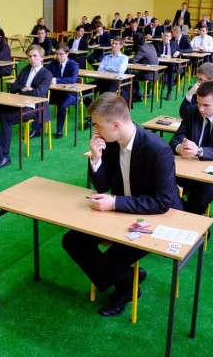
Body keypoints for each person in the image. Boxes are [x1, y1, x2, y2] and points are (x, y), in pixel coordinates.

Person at [62, 92, 183, 317]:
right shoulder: (112, 141)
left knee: (107, 265)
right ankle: (128, 279)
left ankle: (127, 287)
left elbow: (162, 202)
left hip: (155, 218)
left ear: (116, 124)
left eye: (97, 125)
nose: (95, 131)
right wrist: (96, 158)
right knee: (72, 240)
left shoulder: (157, 150)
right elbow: (103, 185)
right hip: (120, 213)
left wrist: (115, 202)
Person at [169, 81, 213, 215]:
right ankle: (191, 217)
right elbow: (175, 139)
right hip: (189, 166)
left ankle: (192, 222)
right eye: (199, 103)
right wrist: (180, 148)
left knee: (199, 198)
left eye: (206, 105)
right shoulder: (191, 111)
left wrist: (199, 151)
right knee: (162, 183)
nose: (201, 109)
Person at [0, 45, 52, 168]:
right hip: (16, 103)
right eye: (29, 56)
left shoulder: (47, 74)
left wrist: (22, 90)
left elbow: (38, 93)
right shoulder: (25, 69)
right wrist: (25, 88)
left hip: (34, 108)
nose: (32, 59)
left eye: (35, 56)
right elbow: (13, 88)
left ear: (41, 58)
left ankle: (4, 156)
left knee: (5, 116)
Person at [45, 43, 79, 138]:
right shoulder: (53, 63)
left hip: (70, 94)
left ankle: (59, 130)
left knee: (62, 105)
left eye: (61, 54)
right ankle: (36, 129)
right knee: (41, 101)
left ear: (67, 54)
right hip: (56, 92)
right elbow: (47, 75)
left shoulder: (74, 64)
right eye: (56, 54)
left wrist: (56, 80)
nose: (58, 56)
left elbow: (73, 80)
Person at [130, 32, 158, 102]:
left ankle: (137, 95)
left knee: (131, 75)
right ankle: (147, 92)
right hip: (155, 73)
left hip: (148, 75)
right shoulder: (151, 45)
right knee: (136, 73)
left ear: (135, 42)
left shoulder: (142, 48)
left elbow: (133, 61)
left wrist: (125, 59)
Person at [159, 30, 181, 100]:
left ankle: (169, 92)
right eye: (164, 36)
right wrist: (162, 55)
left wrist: (178, 52)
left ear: (170, 38)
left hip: (171, 64)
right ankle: (148, 92)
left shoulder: (174, 44)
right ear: (162, 36)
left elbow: (180, 51)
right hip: (160, 64)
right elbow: (154, 53)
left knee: (171, 71)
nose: (166, 37)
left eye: (167, 36)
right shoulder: (157, 44)